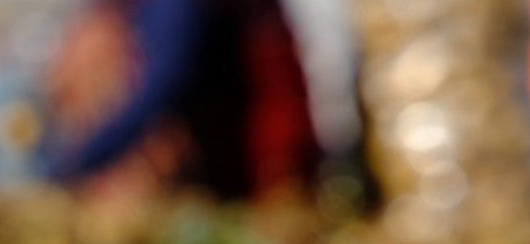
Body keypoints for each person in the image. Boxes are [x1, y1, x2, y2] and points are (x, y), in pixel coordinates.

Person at [40, 0, 321, 200]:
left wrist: (80, 164)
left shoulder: (175, 8)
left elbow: (163, 84)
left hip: (255, 171)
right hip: (251, 166)